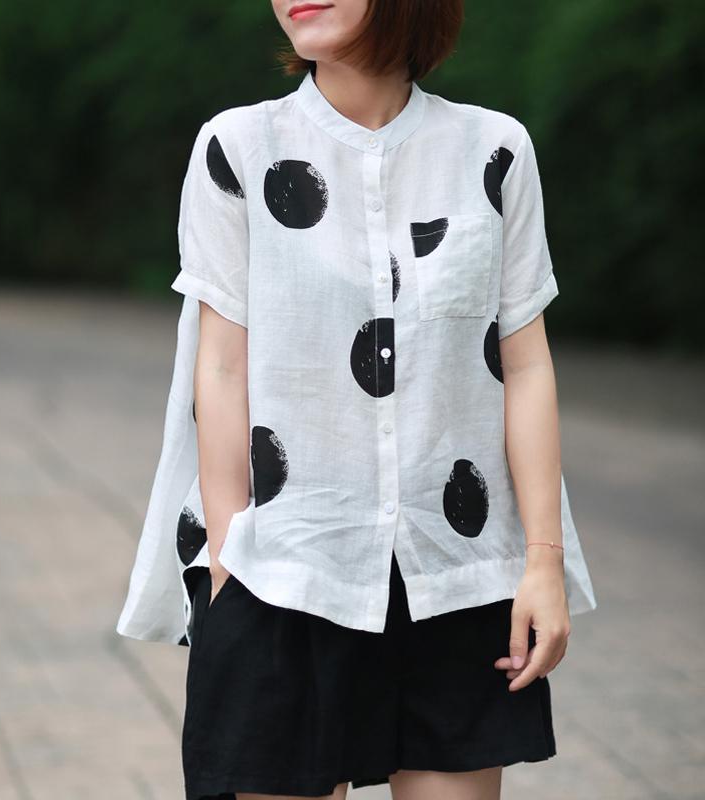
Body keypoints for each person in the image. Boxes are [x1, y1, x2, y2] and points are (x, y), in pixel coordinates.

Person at [116, 1, 598, 798]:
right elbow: (222, 368)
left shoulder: (495, 151)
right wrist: (231, 565)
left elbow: (526, 365)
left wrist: (543, 564)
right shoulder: (238, 147)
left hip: (457, 576)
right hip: (286, 569)